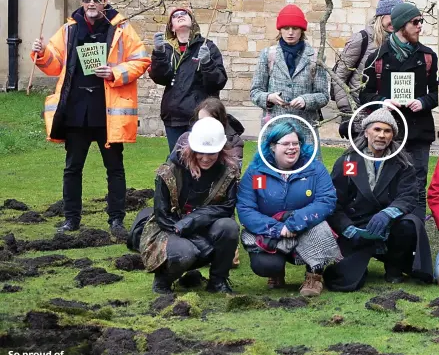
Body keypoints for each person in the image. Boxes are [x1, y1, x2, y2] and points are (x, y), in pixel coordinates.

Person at [31, 0, 150, 236]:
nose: (92, 3)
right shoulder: (68, 29)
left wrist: (115, 72)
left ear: (105, 0)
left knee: (115, 170)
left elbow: (141, 60)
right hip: (75, 111)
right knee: (72, 168)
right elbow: (54, 64)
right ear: (82, 0)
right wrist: (41, 54)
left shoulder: (122, 28)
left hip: (108, 112)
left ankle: (116, 221)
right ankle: (71, 220)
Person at [325, 108, 433, 292]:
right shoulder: (347, 161)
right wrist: (348, 228)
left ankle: (394, 268)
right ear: (366, 132)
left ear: (393, 135)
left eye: (387, 131)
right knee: (347, 281)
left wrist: (387, 214)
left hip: (390, 224)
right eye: (377, 130)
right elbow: (335, 202)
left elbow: (408, 195)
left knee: (409, 224)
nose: (382, 135)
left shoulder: (403, 163)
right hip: (356, 224)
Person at [236, 120, 341, 297]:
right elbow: (246, 209)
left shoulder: (315, 168)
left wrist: (295, 223)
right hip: (272, 230)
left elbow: (327, 200)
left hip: (306, 226)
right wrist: (278, 229)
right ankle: (276, 271)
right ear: (272, 147)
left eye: (296, 143)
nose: (292, 148)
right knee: (266, 265)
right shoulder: (255, 172)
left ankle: (314, 275)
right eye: (285, 143)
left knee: (320, 228)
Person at [139, 117, 240, 295]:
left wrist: (192, 221)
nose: (206, 158)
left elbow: (227, 207)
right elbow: (161, 214)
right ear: (191, 148)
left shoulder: (229, 172)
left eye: (212, 153)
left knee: (229, 227)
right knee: (186, 252)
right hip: (169, 229)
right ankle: (163, 280)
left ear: (221, 150)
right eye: (201, 152)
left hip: (203, 227)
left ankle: (218, 281)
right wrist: (186, 231)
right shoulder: (169, 171)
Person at [360, 2, 438, 218]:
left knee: (418, 185)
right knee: (387, 182)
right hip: (387, 133)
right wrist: (383, 102)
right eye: (415, 22)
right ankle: (388, 233)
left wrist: (423, 101)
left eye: (420, 21)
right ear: (402, 25)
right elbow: (364, 95)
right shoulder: (377, 58)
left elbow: (435, 92)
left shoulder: (428, 57)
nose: (420, 26)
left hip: (418, 132)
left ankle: (416, 235)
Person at [250, 4, 329, 150]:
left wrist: (306, 100)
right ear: (280, 30)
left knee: (307, 171)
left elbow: (324, 95)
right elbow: (255, 91)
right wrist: (269, 98)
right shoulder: (268, 55)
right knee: (271, 170)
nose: (290, 32)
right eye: (286, 28)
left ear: (302, 30)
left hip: (305, 130)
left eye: (295, 28)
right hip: (274, 130)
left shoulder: (315, 58)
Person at [149, 7, 227, 152]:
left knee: (201, 157)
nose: (180, 16)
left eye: (184, 14)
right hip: (174, 116)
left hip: (201, 115)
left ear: (192, 21)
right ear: (171, 27)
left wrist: (207, 62)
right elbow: (160, 78)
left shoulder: (208, 47)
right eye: (175, 16)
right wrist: (158, 53)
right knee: (178, 160)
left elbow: (218, 82)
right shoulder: (167, 50)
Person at [332, 0, 403, 138]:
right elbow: (339, 77)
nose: (394, 21)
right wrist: (347, 115)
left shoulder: (402, 44)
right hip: (361, 113)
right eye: (391, 15)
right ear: (381, 16)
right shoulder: (362, 39)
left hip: (390, 115)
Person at [174, 97, 245, 168]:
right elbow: (172, 164)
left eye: (209, 121)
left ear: (221, 120)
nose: (204, 125)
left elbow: (235, 170)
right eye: (201, 121)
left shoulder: (234, 141)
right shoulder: (186, 138)